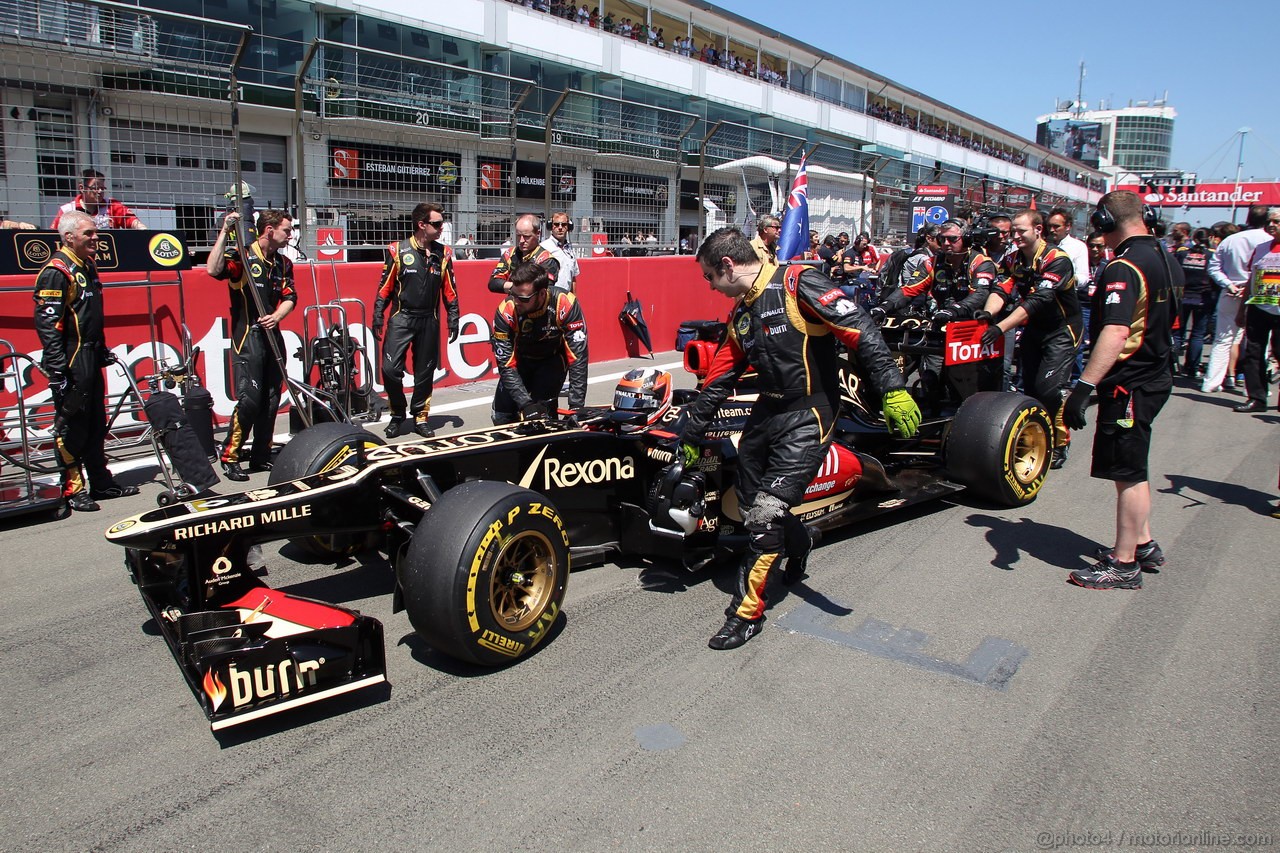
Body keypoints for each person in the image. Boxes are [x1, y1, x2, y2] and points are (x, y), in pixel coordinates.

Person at [680, 227, 920, 650]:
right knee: (752, 503)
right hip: (766, 414)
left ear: (727, 266)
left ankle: (747, 614)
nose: (708, 287)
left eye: (708, 278)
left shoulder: (798, 282)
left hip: (811, 414)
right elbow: (719, 378)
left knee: (765, 515)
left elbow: (860, 328)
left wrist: (893, 388)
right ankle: (803, 539)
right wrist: (691, 430)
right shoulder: (743, 312)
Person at [1062, 191, 1179, 589]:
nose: (1100, 236)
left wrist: (1083, 386)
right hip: (1156, 373)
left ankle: (1124, 563)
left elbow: (1115, 331)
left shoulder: (1123, 266)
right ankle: (1142, 543)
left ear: (1107, 222)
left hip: (1130, 383)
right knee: (1133, 468)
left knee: (1127, 472)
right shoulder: (1165, 256)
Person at [33, 211, 141, 511]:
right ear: (69, 237)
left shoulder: (87, 265)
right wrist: (58, 371)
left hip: (91, 357)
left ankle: (102, 483)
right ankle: (73, 489)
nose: (96, 237)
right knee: (73, 427)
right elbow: (48, 326)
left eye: (95, 233)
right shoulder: (56, 270)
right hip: (71, 360)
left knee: (96, 424)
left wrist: (102, 349)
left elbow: (90, 315)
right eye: (89, 233)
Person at [980, 209, 1082, 468]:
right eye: (1013, 231)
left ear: (1038, 229)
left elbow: (1039, 300)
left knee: (1049, 390)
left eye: (1021, 231)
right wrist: (986, 315)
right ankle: (1038, 437)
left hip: (1062, 330)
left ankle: (1060, 442)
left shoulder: (1057, 259)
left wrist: (1000, 327)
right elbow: (1000, 290)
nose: (1015, 236)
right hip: (1034, 329)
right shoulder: (1012, 258)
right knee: (1031, 390)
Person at [206, 209, 296, 482]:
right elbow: (213, 269)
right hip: (248, 337)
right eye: (286, 230)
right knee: (250, 400)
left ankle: (260, 455)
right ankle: (230, 455)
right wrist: (224, 232)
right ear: (269, 230)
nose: (290, 235)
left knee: (271, 400)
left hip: (273, 336)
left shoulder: (283, 263)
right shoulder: (243, 256)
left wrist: (277, 315)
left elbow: (291, 296)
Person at [371, 202, 460, 438]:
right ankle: (398, 413)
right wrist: (378, 315)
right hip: (402, 318)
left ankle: (420, 416)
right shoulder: (398, 251)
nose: (442, 228)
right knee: (390, 370)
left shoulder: (444, 253)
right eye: (437, 223)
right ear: (422, 225)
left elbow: (450, 290)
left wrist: (454, 318)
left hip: (428, 320)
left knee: (425, 373)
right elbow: (384, 288)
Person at [490, 262, 588, 424]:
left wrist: (576, 407)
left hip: (551, 361)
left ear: (542, 294)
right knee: (501, 416)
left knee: (544, 417)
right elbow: (506, 363)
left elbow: (578, 357)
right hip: (520, 361)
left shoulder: (564, 303)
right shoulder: (505, 310)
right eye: (513, 294)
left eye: (523, 298)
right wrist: (525, 404)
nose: (516, 301)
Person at [1203, 206, 1271, 394]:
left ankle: (1211, 382)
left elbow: (1214, 267)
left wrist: (1229, 284)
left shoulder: (1231, 240)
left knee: (1223, 340)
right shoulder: (1270, 241)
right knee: (1259, 343)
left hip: (1231, 291)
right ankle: (1256, 387)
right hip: (1260, 295)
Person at [1234, 207, 1280, 413]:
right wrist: (1242, 309)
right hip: (1259, 306)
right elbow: (1251, 279)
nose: (1271, 225)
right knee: (1252, 353)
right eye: (1270, 221)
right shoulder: (1261, 248)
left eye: (1277, 222)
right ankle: (1257, 397)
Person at [1173, 228, 1217, 379]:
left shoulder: (1182, 253)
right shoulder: (1212, 255)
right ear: (1209, 238)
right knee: (1197, 334)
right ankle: (1192, 368)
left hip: (1183, 297)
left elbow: (1174, 273)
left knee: (1178, 332)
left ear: (1194, 239)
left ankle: (1172, 366)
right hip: (1203, 299)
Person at [51, 169, 146, 230]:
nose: (100, 191)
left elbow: (133, 221)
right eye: (95, 188)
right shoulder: (67, 210)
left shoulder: (112, 205)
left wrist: (143, 230)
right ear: (82, 188)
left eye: (102, 188)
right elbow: (53, 234)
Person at [489, 215, 558, 295]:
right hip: (514, 303)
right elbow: (493, 283)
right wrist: (516, 288)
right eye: (518, 235)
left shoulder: (547, 259)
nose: (521, 240)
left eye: (526, 236)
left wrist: (513, 287)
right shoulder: (510, 254)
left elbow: (542, 290)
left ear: (538, 233)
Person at [1045, 207, 1089, 289]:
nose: (1051, 230)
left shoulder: (1078, 246)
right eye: (1049, 226)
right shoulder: (1043, 245)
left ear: (1068, 226)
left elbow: (1083, 278)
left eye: (1056, 226)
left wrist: (1065, 279)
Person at [539, 211, 580, 292]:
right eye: (556, 224)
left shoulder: (570, 249)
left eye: (564, 224)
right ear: (551, 226)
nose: (560, 227)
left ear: (569, 227)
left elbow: (573, 277)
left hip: (566, 297)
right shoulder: (544, 247)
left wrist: (573, 298)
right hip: (549, 296)